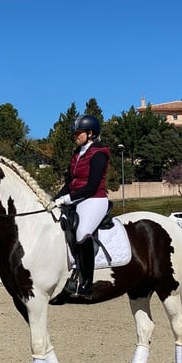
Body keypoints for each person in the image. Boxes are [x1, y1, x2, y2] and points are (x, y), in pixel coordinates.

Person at [47, 114, 110, 299]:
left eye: (78, 133)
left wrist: (66, 199)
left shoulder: (99, 153)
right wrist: (54, 200)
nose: (75, 136)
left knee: (82, 233)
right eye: (74, 133)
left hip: (94, 199)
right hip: (76, 198)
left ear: (90, 133)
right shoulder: (77, 153)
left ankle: (87, 284)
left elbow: (91, 186)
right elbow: (69, 182)